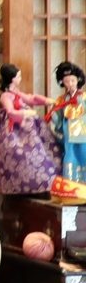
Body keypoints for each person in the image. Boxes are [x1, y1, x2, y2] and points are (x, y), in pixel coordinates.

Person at [0, 63, 58, 197]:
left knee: (43, 150)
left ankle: (46, 184)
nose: (20, 79)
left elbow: (30, 98)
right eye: (18, 76)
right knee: (22, 156)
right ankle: (23, 187)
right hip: (14, 131)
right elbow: (10, 111)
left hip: (29, 129)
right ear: (11, 78)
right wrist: (25, 114)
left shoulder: (16, 93)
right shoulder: (6, 96)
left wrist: (47, 101)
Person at [56, 61, 86, 201]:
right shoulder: (62, 99)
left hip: (83, 133)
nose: (70, 84)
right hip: (69, 135)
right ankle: (71, 189)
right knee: (70, 157)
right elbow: (58, 116)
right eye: (67, 81)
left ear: (78, 80)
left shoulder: (84, 97)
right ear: (63, 82)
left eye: (72, 80)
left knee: (84, 156)